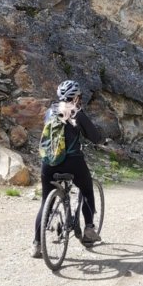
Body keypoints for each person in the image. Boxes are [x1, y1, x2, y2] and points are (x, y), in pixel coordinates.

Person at [32, 79, 103, 258]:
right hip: (73, 162)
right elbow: (95, 136)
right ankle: (88, 229)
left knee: (44, 204)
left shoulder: (50, 112)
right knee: (87, 189)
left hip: (49, 163)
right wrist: (102, 140)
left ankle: (37, 244)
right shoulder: (77, 113)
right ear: (77, 97)